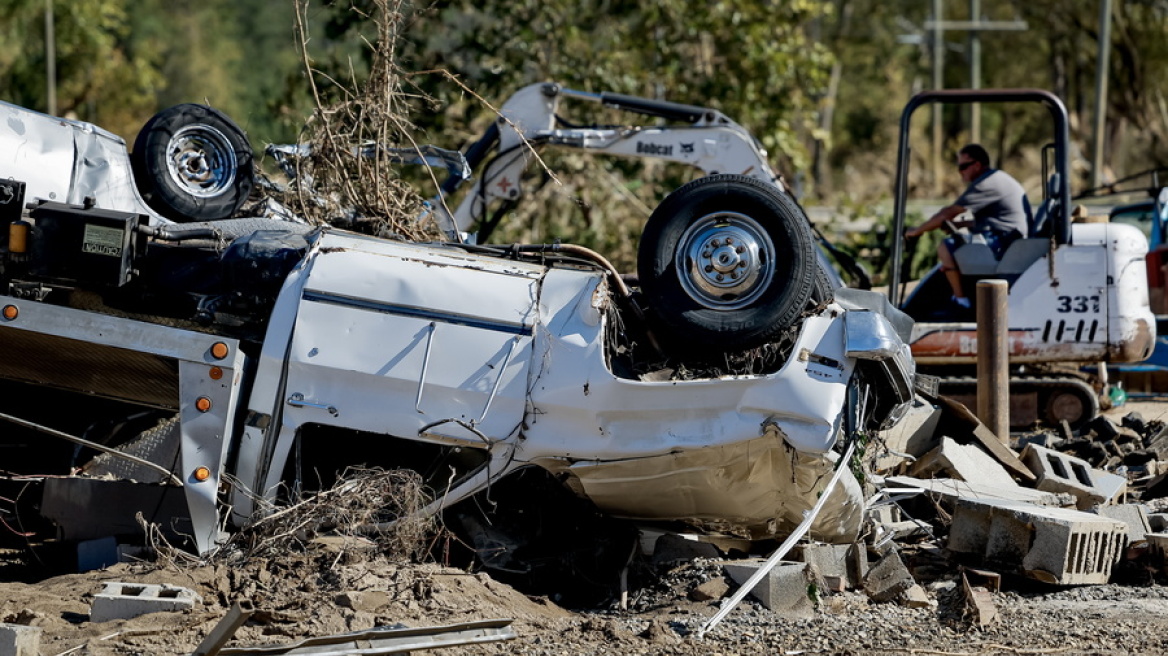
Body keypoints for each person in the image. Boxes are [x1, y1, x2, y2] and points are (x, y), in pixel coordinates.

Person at [904, 144, 1030, 309]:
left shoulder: (986, 183)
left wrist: (916, 231)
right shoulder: (995, 178)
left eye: (963, 166)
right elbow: (993, 219)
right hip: (1008, 237)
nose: (960, 171)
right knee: (956, 246)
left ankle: (961, 301)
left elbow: (948, 213)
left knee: (945, 247)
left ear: (977, 165)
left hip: (1005, 242)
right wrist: (959, 224)